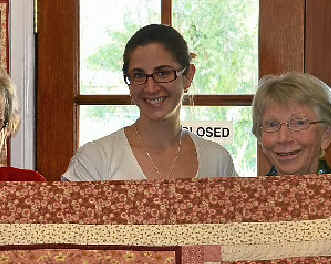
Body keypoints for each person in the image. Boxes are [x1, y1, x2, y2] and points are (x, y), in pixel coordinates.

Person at [62, 24, 236, 180]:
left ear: (188, 76)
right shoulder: (94, 160)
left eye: (163, 73)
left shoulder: (217, 161)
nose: (151, 88)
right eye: (139, 75)